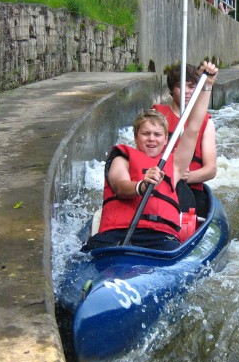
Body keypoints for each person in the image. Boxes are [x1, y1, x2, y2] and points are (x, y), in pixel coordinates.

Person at [82, 61, 218, 252]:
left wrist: (207, 85)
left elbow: (194, 127)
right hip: (116, 236)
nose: (152, 140)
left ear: (165, 140)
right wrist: (141, 185)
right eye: (146, 134)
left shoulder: (175, 165)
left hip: (160, 239)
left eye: (157, 135)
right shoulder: (122, 159)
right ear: (136, 137)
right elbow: (121, 187)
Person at [152, 63, 217, 218]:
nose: (187, 92)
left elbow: (210, 169)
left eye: (192, 86)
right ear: (171, 90)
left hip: (192, 191)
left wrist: (187, 176)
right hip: (158, 186)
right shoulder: (155, 115)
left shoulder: (207, 123)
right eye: (181, 87)